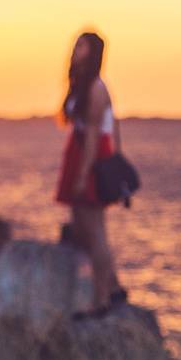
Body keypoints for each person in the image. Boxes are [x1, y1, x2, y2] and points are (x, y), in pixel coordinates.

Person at [55, 30, 130, 318]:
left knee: (94, 229)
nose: (76, 49)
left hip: (92, 157)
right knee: (83, 228)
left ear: (94, 52)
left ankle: (102, 300)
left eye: (82, 46)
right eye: (76, 44)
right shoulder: (81, 85)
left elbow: (94, 137)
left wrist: (83, 174)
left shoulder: (97, 87)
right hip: (80, 154)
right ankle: (113, 287)